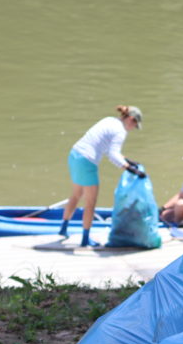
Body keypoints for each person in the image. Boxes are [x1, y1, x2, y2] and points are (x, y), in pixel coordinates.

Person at [59, 105, 145, 246]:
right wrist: (130, 169)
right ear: (130, 119)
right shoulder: (120, 131)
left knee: (76, 195)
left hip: (74, 155)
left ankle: (63, 228)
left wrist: (128, 161)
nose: (133, 128)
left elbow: (107, 148)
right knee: (90, 203)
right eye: (135, 125)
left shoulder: (109, 120)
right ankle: (85, 240)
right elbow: (113, 154)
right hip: (87, 161)